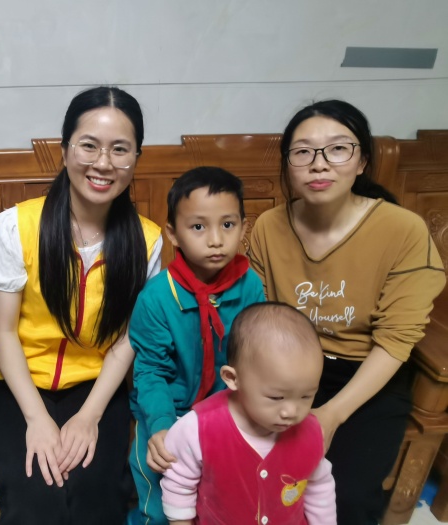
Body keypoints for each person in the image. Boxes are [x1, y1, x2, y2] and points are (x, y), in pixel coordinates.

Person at [249, 99, 446, 524]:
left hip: (367, 375)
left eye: (338, 149)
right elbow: (258, 316)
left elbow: (396, 340)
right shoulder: (268, 226)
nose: (319, 164)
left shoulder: (402, 230)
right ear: (288, 165)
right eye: (303, 152)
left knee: (348, 498)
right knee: (254, 477)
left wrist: (331, 415)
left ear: (362, 162)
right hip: (287, 367)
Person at [0, 86, 162, 525]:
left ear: (136, 158)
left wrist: (89, 417)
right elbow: (2, 331)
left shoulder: (147, 239)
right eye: (89, 145)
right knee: (34, 500)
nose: (103, 163)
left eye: (120, 149)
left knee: (97, 496)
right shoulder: (15, 226)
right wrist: (36, 419)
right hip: (17, 383)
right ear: (64, 151)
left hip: (98, 385)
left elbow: (128, 340)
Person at [127, 166, 265, 525]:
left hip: (229, 409)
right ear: (173, 233)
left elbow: (256, 357)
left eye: (228, 224)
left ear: (244, 228)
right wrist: (161, 425)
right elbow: (151, 371)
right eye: (198, 227)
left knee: (228, 498)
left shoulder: (251, 286)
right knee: (160, 497)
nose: (216, 240)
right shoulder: (157, 297)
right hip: (170, 411)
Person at [161, 302, 336, 524]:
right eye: (276, 398)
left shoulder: (310, 432)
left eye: (306, 397)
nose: (291, 412)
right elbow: (179, 485)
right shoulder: (197, 428)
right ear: (233, 378)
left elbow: (319, 485)